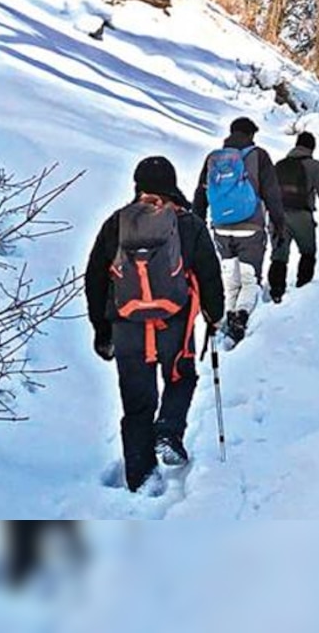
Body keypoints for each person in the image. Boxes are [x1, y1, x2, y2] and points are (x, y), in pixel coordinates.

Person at [86, 157, 224, 493]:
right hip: (174, 324)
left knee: (136, 403)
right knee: (182, 377)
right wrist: (214, 314)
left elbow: (95, 279)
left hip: (128, 326)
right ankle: (169, 429)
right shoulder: (187, 223)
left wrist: (102, 330)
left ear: (138, 184)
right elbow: (208, 272)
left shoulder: (117, 223)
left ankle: (141, 477)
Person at [193, 117, 285, 344]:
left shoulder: (213, 159)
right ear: (251, 135)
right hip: (251, 227)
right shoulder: (258, 156)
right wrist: (279, 226)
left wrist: (197, 226)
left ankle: (227, 320)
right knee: (249, 279)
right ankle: (241, 316)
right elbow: (272, 194)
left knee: (230, 278)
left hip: (221, 228)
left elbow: (200, 194)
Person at [268, 131, 319, 301]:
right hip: (301, 215)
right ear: (311, 148)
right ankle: (302, 290)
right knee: (308, 252)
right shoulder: (314, 166)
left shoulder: (280, 165)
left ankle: (276, 294)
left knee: (279, 256)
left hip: (278, 216)